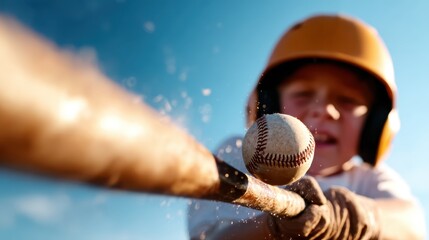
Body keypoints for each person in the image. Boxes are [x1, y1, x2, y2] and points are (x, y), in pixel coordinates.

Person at [187, 14, 426, 239]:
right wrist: (271, 229)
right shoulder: (238, 158)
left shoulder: (368, 180)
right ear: (268, 105)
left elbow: (412, 225)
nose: (324, 110)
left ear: (375, 126)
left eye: (348, 100)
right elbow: (212, 236)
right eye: (303, 94)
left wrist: (351, 219)